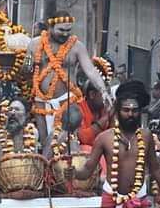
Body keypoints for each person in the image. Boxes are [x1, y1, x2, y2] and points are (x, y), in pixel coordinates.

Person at [28, 10, 112, 147]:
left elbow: (90, 70)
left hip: (66, 100)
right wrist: (26, 67)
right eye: (61, 30)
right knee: (44, 142)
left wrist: (103, 90)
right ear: (50, 27)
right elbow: (26, 72)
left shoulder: (77, 46)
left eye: (69, 30)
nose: (65, 34)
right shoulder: (34, 44)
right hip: (41, 100)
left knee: (66, 142)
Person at [77, 80, 111, 146]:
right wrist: (106, 117)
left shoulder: (105, 108)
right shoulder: (79, 109)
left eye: (109, 94)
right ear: (92, 95)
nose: (107, 98)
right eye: (104, 94)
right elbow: (83, 138)